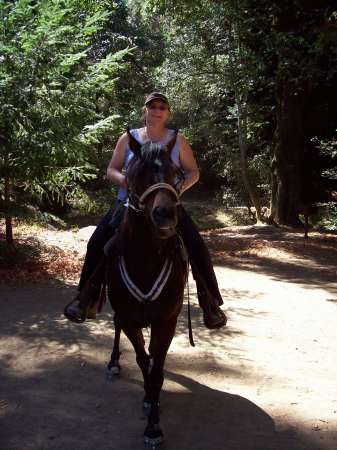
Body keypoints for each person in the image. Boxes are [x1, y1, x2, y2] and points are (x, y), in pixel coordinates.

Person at [64, 92, 227, 329]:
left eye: (162, 107)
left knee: (196, 245)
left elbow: (193, 172)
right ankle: (85, 297)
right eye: (152, 106)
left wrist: (178, 188)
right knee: (98, 241)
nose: (157, 110)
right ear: (145, 110)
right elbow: (111, 169)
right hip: (129, 203)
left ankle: (209, 302)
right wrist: (127, 182)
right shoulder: (128, 138)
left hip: (167, 205)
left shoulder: (177, 140)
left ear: (168, 112)